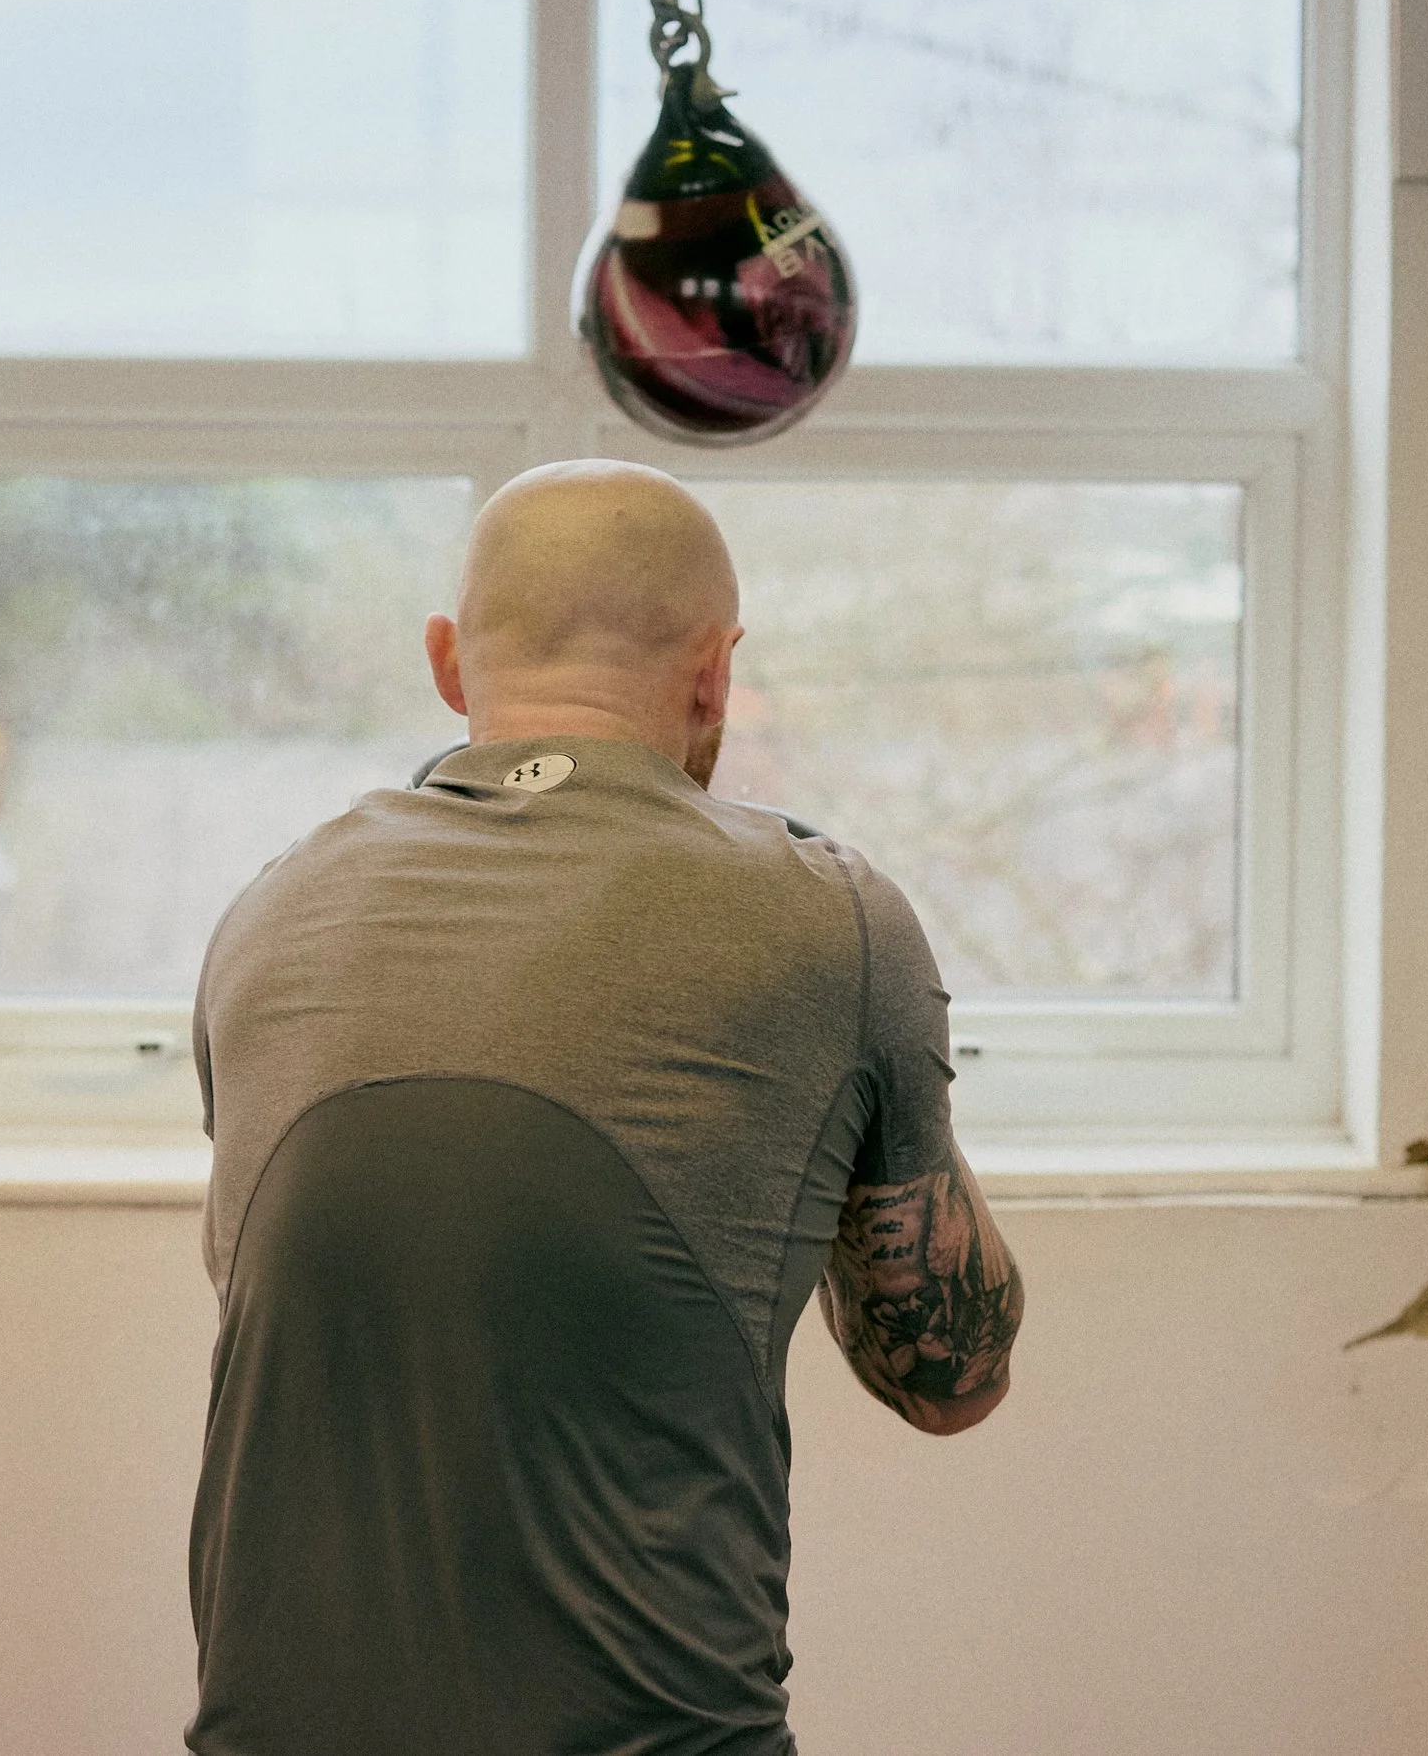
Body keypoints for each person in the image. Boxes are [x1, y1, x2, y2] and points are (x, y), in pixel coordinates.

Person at [187, 459, 1024, 1756]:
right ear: (715, 670)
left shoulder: (266, 913)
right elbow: (951, 1378)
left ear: (449, 663)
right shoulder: (828, 918)